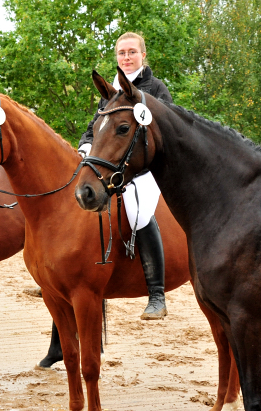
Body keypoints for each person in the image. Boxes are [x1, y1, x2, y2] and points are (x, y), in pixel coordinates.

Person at [78, 31, 172, 320]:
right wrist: (84, 147)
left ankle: (157, 294)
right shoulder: (111, 91)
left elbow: (166, 128)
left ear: (143, 55)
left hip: (144, 170)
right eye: (122, 53)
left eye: (132, 52)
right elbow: (96, 127)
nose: (127, 57)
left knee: (137, 210)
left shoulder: (155, 88)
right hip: (112, 167)